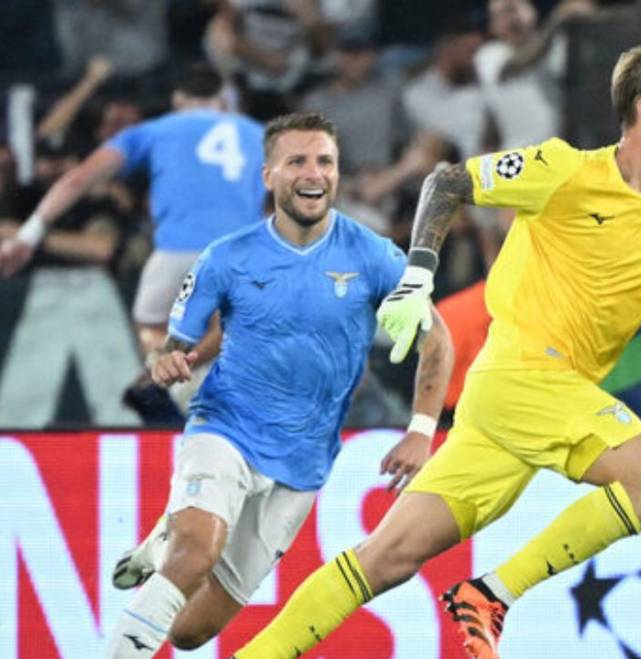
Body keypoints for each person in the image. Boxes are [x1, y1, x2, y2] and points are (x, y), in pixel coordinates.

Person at [231, 43, 641, 659]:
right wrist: (419, 274)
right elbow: (447, 181)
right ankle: (492, 595)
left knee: (386, 557)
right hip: (523, 374)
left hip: (533, 399)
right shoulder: (564, 170)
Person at [103, 111, 454, 657]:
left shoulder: (374, 256)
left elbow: (438, 342)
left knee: (190, 632)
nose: (313, 173)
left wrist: (421, 430)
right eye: (297, 161)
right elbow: (176, 344)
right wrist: (166, 361)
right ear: (268, 175)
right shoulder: (226, 257)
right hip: (226, 427)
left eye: (325, 161)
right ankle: (172, 548)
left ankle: (167, 531)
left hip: (302, 464)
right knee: (197, 554)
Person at [0, 63, 268, 422]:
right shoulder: (261, 135)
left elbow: (77, 180)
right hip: (241, 254)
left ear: (177, 99)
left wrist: (29, 234)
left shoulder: (153, 131)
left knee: (149, 325)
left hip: (175, 254)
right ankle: (205, 384)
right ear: (222, 101)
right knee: (231, 325)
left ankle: (181, 380)